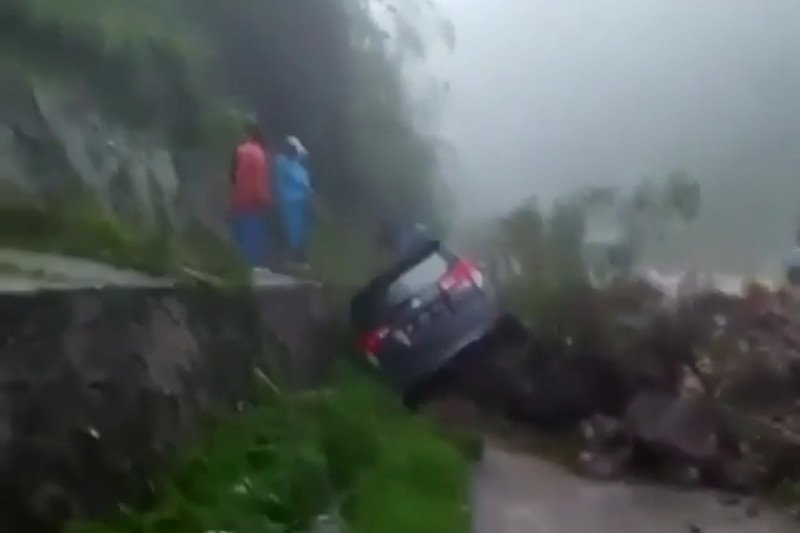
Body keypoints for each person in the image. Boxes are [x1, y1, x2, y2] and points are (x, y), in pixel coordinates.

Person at [228, 121, 272, 272]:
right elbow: (263, 178)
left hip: (240, 198)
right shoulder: (261, 153)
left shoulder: (239, 151)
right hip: (257, 199)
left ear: (248, 134)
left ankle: (239, 265)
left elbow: (233, 176)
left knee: (239, 231)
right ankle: (253, 265)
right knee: (254, 233)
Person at [275, 135, 312, 267]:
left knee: (300, 227)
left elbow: (304, 154)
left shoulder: (293, 161)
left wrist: (299, 148)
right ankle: (293, 254)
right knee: (293, 227)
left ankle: (297, 253)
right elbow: (292, 179)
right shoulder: (282, 162)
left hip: (298, 199)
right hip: (290, 199)